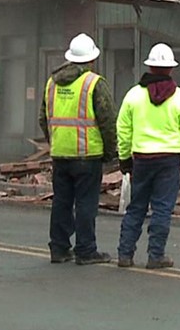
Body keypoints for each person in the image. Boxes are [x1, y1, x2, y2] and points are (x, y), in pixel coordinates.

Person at [116, 43, 180, 269]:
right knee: (162, 208)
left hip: (142, 159)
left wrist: (124, 158)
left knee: (136, 206)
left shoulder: (134, 96)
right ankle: (156, 255)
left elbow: (123, 130)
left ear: (150, 67)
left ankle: (125, 254)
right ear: (171, 69)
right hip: (169, 160)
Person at [39, 33, 117, 265]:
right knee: (85, 203)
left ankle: (59, 248)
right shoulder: (93, 83)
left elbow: (44, 118)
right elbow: (107, 121)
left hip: (60, 153)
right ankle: (86, 250)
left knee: (61, 202)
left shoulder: (51, 83)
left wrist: (55, 140)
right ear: (91, 60)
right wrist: (111, 152)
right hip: (87, 155)